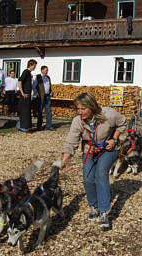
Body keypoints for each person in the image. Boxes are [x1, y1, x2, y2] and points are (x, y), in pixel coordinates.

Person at [61, 93, 127, 229]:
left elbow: (122, 124)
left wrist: (114, 139)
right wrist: (64, 160)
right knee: (87, 178)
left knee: (101, 173)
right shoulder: (78, 121)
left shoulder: (109, 114)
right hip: (90, 150)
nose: (80, 112)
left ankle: (104, 212)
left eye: (83, 109)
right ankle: (94, 206)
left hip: (109, 148)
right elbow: (71, 141)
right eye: (78, 109)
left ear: (91, 106)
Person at [17, 59, 37, 132]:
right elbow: (19, 81)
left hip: (28, 95)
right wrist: (22, 92)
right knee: (24, 111)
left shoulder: (29, 73)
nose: (35, 67)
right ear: (30, 65)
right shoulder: (25, 72)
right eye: (34, 66)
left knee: (26, 111)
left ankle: (21, 126)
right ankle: (23, 128)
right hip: (25, 95)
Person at [33, 66, 55, 131]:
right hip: (41, 96)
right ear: (42, 70)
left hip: (47, 96)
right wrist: (36, 93)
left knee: (48, 111)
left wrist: (50, 92)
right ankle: (39, 126)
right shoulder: (38, 77)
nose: (47, 71)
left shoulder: (48, 77)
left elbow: (49, 85)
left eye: (47, 70)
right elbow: (33, 86)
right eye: (46, 70)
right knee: (40, 111)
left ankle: (49, 125)